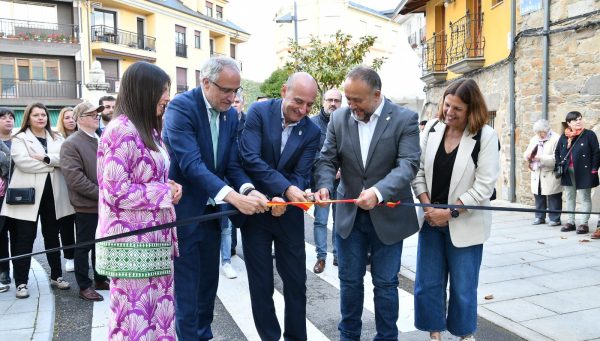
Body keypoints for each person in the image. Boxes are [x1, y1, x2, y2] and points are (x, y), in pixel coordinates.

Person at [163, 56, 268, 340]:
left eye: (236, 91)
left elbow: (232, 163)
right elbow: (191, 164)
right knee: (187, 289)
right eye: (226, 90)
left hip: (212, 215)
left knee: (208, 285)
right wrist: (233, 197)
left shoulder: (231, 115)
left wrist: (247, 189)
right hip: (185, 213)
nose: (232, 97)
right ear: (206, 82)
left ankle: (204, 334)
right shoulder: (181, 108)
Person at [314, 66, 421, 340]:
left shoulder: (404, 119)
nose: (351, 105)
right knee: (349, 282)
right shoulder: (338, 118)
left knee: (385, 284)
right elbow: (327, 159)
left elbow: (408, 164)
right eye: (348, 98)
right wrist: (326, 186)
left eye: (357, 100)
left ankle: (387, 337)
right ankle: (348, 336)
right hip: (349, 216)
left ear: (377, 95)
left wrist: (378, 191)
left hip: (388, 215)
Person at [95, 62, 182, 340]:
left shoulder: (147, 128)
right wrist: (164, 192)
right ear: (144, 91)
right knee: (134, 323)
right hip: (132, 245)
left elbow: (148, 176)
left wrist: (168, 186)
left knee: (158, 318)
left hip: (152, 242)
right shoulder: (121, 130)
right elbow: (115, 190)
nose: (167, 96)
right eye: (163, 90)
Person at [411, 78, 500, 341]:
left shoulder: (485, 135)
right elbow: (418, 173)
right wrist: (428, 208)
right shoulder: (433, 129)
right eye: (447, 105)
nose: (449, 112)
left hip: (465, 223)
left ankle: (464, 335)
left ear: (471, 110)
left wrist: (449, 213)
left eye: (457, 109)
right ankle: (434, 334)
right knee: (427, 285)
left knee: (462, 288)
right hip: (430, 221)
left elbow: (484, 186)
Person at [239, 72, 320, 341]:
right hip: (257, 210)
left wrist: (286, 198)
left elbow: (302, 174)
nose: (303, 109)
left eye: (310, 104)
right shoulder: (260, 112)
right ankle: (269, 337)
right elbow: (250, 158)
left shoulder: (312, 130)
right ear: (284, 90)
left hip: (288, 215)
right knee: (261, 284)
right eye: (298, 101)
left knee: (296, 283)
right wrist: (282, 190)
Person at [1, 102, 75, 299]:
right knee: (25, 238)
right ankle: (21, 282)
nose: (41, 118)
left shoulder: (56, 137)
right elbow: (23, 163)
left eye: (43, 115)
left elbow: (64, 159)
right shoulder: (20, 138)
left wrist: (44, 158)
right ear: (28, 117)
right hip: (28, 194)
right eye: (36, 115)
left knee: (52, 235)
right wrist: (51, 163)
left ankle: (56, 276)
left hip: (53, 193)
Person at [60, 101, 110, 302]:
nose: (97, 116)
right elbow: (75, 179)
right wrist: (104, 194)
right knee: (84, 245)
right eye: (91, 114)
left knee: (101, 244)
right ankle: (84, 285)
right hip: (87, 205)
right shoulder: (71, 144)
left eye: (97, 113)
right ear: (80, 119)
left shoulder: (100, 138)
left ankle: (99, 278)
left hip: (104, 204)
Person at [311, 88, 342, 273]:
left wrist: (342, 170)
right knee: (320, 221)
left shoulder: (347, 122)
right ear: (323, 101)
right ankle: (321, 257)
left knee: (340, 221)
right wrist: (329, 170)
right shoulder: (313, 124)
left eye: (336, 100)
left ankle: (338, 255)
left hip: (342, 182)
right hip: (321, 182)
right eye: (329, 99)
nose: (332, 103)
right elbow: (310, 152)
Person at [555, 111, 600, 235]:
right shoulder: (564, 136)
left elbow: (596, 152)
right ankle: (570, 222)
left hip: (585, 171)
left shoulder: (589, 134)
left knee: (585, 197)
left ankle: (584, 223)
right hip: (567, 172)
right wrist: (560, 165)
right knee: (570, 197)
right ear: (569, 123)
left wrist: (594, 169)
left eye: (580, 119)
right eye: (575, 120)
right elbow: (557, 152)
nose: (579, 121)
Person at [524, 119, 562, 226]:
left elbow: (557, 158)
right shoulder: (534, 138)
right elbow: (528, 151)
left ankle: (555, 218)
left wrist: (540, 158)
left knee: (553, 195)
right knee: (538, 195)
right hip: (537, 172)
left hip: (550, 172)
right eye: (537, 133)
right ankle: (539, 217)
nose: (540, 135)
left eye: (542, 132)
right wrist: (527, 155)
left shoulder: (556, 138)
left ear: (547, 129)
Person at [55, 106, 77, 272]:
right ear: (61, 120)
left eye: (73, 117)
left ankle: (84, 255)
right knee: (66, 224)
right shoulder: (56, 138)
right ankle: (69, 257)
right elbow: (57, 159)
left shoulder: (85, 135)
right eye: (67, 117)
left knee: (84, 225)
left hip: (82, 186)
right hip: (63, 185)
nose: (71, 120)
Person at [0, 108, 14, 287]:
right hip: (1, 194)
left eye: (11, 117)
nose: (8, 120)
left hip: (20, 194)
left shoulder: (20, 141)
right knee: (1, 234)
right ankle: (3, 269)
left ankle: (20, 272)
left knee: (20, 234)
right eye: (3, 117)